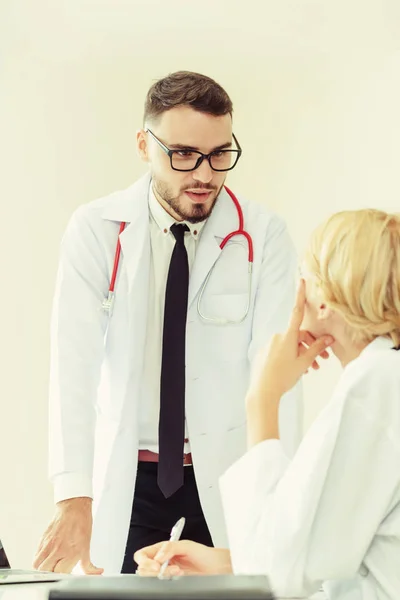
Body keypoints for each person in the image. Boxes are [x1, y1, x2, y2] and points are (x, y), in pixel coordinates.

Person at [32, 71, 307, 575]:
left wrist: (279, 496)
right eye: (183, 154)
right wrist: (73, 494)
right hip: (130, 481)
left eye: (220, 154)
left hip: (224, 477)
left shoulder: (263, 236)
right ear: (144, 145)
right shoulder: (96, 231)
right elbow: (73, 366)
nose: (204, 174)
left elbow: (277, 373)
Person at [135, 209, 400, 600]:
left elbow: (279, 574)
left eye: (303, 275)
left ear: (324, 300)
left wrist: (262, 400)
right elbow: (325, 552)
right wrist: (221, 563)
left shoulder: (375, 387)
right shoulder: (382, 379)